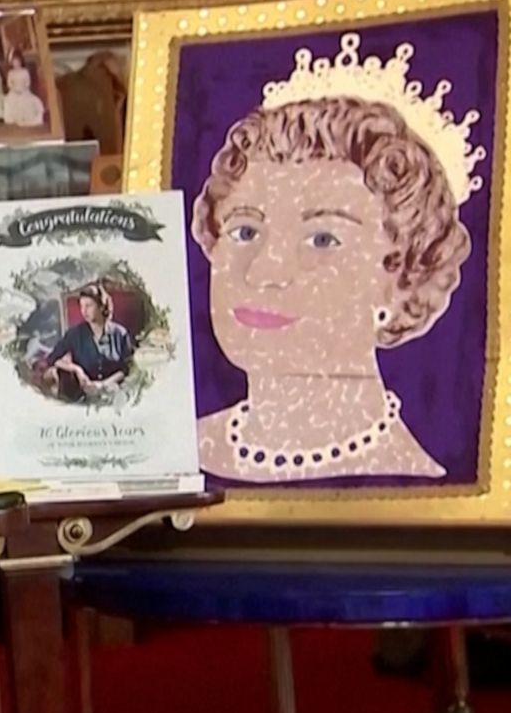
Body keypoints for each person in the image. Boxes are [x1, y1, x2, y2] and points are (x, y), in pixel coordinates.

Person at [192, 94, 465, 482]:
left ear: (400, 277)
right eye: (245, 230)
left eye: (322, 239)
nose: (265, 270)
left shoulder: (421, 492)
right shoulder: (176, 455)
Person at [44, 283, 132, 403]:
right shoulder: (75, 334)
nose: (84, 311)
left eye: (89, 306)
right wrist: (76, 369)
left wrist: (102, 385)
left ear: (101, 306)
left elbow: (127, 369)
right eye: (81, 306)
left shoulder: (120, 333)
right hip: (82, 397)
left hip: (115, 394)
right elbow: (53, 358)